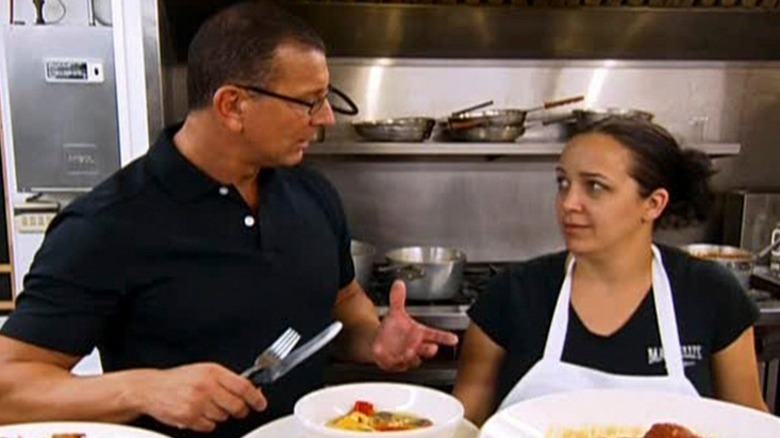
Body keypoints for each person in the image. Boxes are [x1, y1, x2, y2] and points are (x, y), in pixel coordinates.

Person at [0, 2, 457, 437]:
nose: (327, 118)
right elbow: (9, 387)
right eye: (309, 102)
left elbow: (344, 302)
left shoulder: (312, 193)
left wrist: (375, 340)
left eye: (326, 97)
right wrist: (145, 388)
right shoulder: (107, 224)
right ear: (232, 105)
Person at [453, 117, 768, 426]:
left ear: (653, 204)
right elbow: (464, 427)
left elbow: (753, 427)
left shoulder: (711, 294)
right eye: (563, 183)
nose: (569, 203)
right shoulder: (512, 294)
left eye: (595, 187)